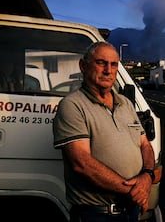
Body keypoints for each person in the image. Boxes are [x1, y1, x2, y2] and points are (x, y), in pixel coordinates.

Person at [53, 41, 155, 222]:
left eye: (113, 64)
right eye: (101, 63)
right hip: (97, 214)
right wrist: (135, 191)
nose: (108, 70)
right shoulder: (72, 105)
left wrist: (147, 176)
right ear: (83, 66)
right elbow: (81, 164)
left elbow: (145, 144)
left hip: (131, 210)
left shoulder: (126, 104)